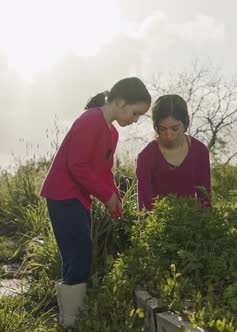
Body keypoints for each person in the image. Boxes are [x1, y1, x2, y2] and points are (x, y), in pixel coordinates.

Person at [40, 77, 151, 328]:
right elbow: (76, 165)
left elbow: (104, 171)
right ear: (120, 102)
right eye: (135, 113)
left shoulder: (111, 132)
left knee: (80, 254)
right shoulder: (90, 120)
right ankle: (70, 320)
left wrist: (115, 197)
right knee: (78, 255)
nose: (135, 120)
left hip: (79, 199)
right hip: (62, 195)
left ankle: (70, 316)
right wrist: (105, 195)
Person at [136, 94, 211, 211]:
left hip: (192, 223)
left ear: (185, 123)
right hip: (159, 223)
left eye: (175, 128)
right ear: (156, 127)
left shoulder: (200, 151)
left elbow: (205, 198)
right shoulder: (146, 156)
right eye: (162, 129)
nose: (168, 135)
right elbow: (144, 205)